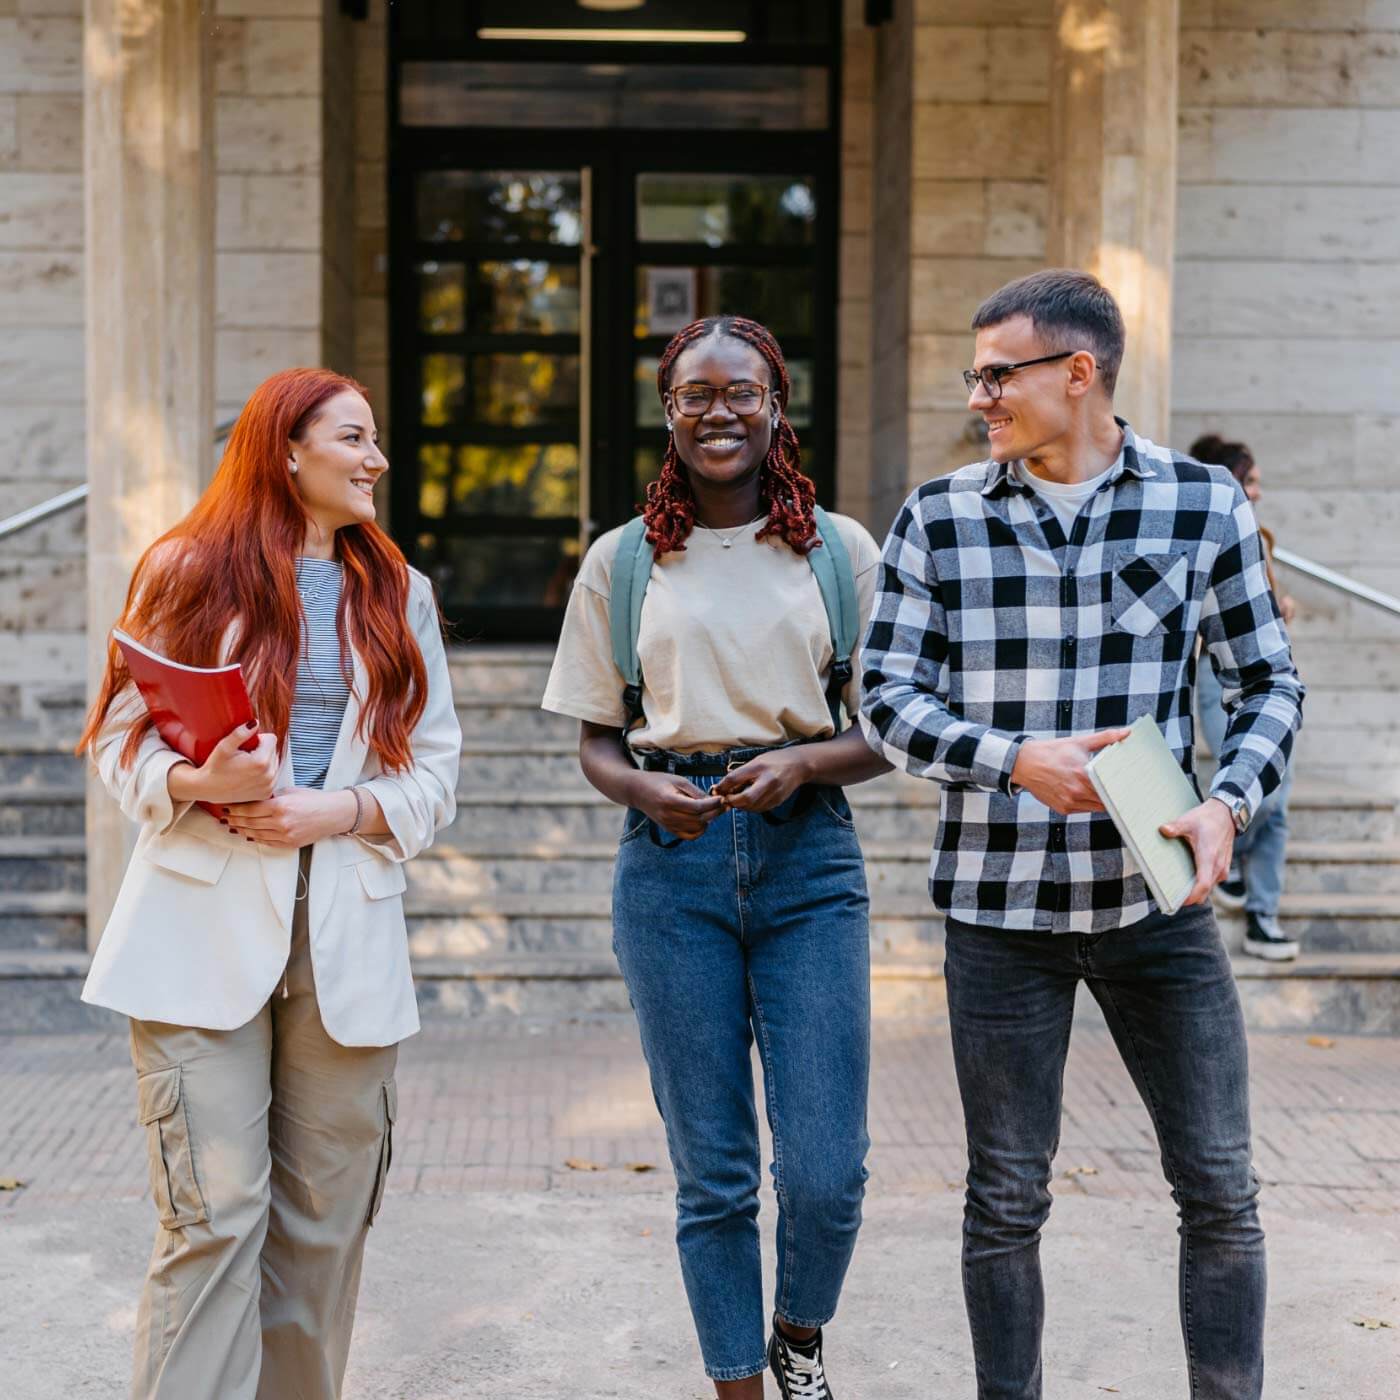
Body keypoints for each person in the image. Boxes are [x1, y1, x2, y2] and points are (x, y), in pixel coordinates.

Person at [859, 270, 1303, 1400]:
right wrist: (1008, 757)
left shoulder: (1201, 503)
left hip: (1156, 903)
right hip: (996, 914)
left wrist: (1228, 799)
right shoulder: (938, 514)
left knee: (1217, 1188)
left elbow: (1265, 682)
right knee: (1003, 1195)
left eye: (995, 372)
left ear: (1077, 371)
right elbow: (883, 696)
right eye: (974, 375)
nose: (977, 397)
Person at [77, 368, 460, 1400]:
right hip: (196, 941)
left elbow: (435, 773)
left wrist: (334, 811)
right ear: (284, 449)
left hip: (346, 950)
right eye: (354, 436)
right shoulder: (185, 568)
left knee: (322, 1232)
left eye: (374, 437)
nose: (376, 457)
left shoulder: (400, 592)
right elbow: (116, 741)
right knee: (213, 1216)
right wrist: (200, 778)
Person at [541, 315, 890, 1400]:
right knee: (714, 1173)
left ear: (777, 403)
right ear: (668, 412)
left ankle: (796, 1331)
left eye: (739, 391)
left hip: (807, 861)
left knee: (825, 1170)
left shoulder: (839, 550)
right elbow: (596, 736)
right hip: (669, 866)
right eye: (694, 394)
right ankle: (739, 1383)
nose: (717, 411)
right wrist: (643, 784)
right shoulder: (623, 559)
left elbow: (890, 728)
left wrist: (803, 765)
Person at [1189, 433, 1300, 961]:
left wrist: (1283, 608)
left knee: (1278, 809)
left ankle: (1262, 916)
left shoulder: (1264, 539)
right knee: (1262, 792)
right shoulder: (1202, 533)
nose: (1257, 491)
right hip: (1219, 677)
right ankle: (1227, 862)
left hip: (1273, 679)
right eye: (1249, 480)